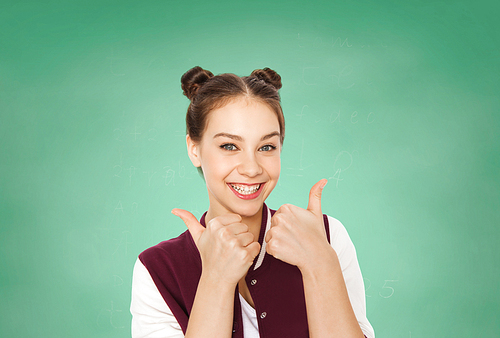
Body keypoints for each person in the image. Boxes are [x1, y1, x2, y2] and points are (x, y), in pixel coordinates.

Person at [130, 66, 375, 338]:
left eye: (266, 147)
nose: (251, 168)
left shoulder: (327, 238)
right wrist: (216, 280)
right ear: (194, 149)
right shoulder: (157, 269)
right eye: (229, 146)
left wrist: (320, 263)